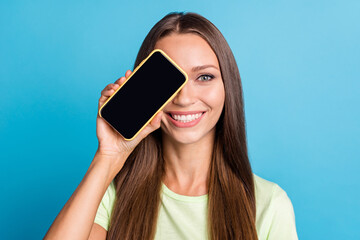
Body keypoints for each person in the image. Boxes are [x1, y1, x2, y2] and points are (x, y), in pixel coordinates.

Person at [44, 12, 298, 240]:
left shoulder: (268, 204)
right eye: (169, 79)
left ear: (227, 88)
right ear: (143, 91)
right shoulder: (111, 194)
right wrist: (108, 156)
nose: (184, 98)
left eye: (204, 77)